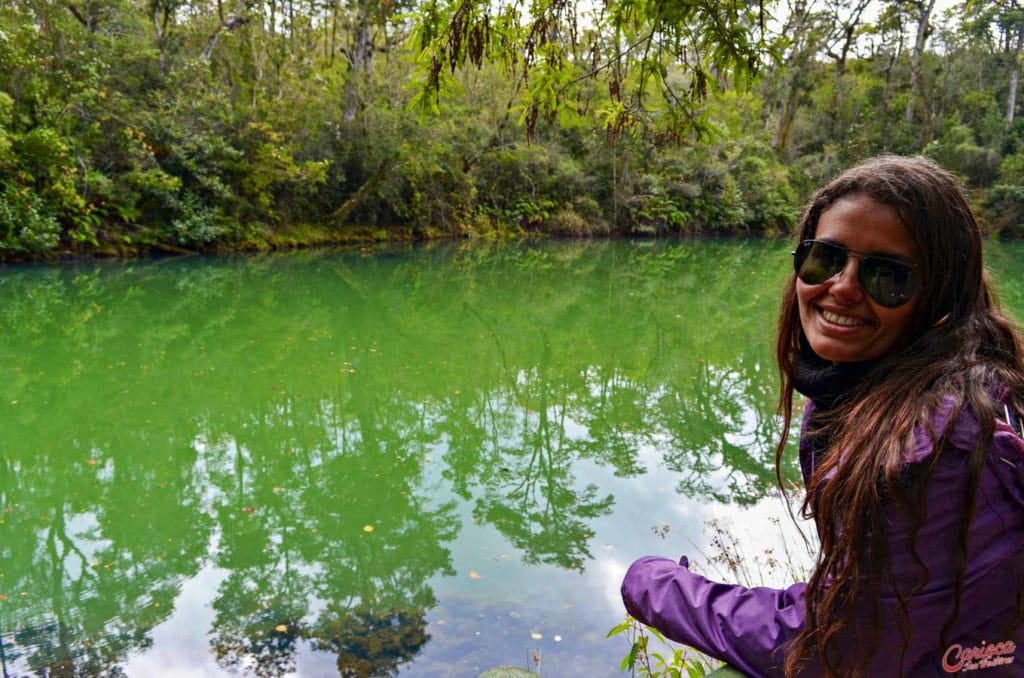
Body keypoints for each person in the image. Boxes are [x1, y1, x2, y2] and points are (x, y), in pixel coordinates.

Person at [620, 156, 1024, 677]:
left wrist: (654, 586)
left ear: (941, 295)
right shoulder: (899, 388)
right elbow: (875, 590)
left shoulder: (945, 444)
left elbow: (836, 646)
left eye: (888, 275)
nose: (843, 287)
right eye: (824, 258)